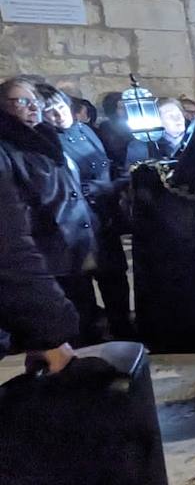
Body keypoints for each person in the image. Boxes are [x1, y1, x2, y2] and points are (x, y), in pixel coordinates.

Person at [0, 78, 99, 342]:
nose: (33, 107)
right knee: (65, 334)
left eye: (35, 101)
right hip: (48, 254)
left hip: (73, 248)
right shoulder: (9, 150)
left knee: (85, 319)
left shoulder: (46, 139)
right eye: (21, 101)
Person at [39, 86, 133, 338]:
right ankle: (92, 339)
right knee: (81, 289)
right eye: (49, 111)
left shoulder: (85, 130)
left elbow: (106, 164)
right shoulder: (46, 143)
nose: (58, 115)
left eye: (59, 107)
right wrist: (99, 188)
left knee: (115, 281)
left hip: (103, 219)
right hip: (75, 224)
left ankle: (123, 330)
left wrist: (118, 180)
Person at [125, 97, 190, 165]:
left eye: (179, 114)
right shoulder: (141, 147)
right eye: (170, 116)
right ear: (158, 120)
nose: (177, 119)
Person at [96, 92, 132, 172]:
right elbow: (115, 150)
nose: (126, 110)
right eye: (122, 108)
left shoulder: (132, 123)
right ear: (113, 109)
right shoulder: (106, 126)